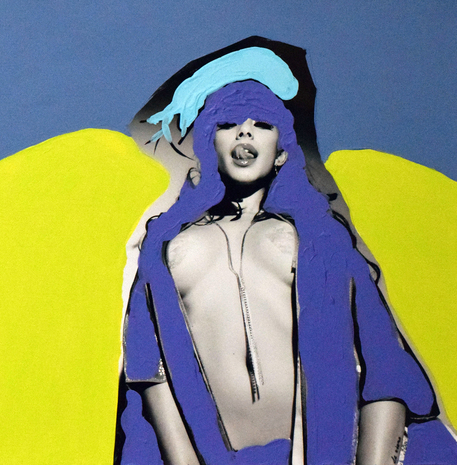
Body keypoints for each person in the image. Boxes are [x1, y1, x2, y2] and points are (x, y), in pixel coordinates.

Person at [114, 38, 457, 465]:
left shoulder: (321, 238)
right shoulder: (165, 244)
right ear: (209, 146)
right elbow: (149, 368)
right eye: (227, 123)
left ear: (281, 153)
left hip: (322, 452)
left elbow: (384, 363)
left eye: (262, 123)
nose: (244, 131)